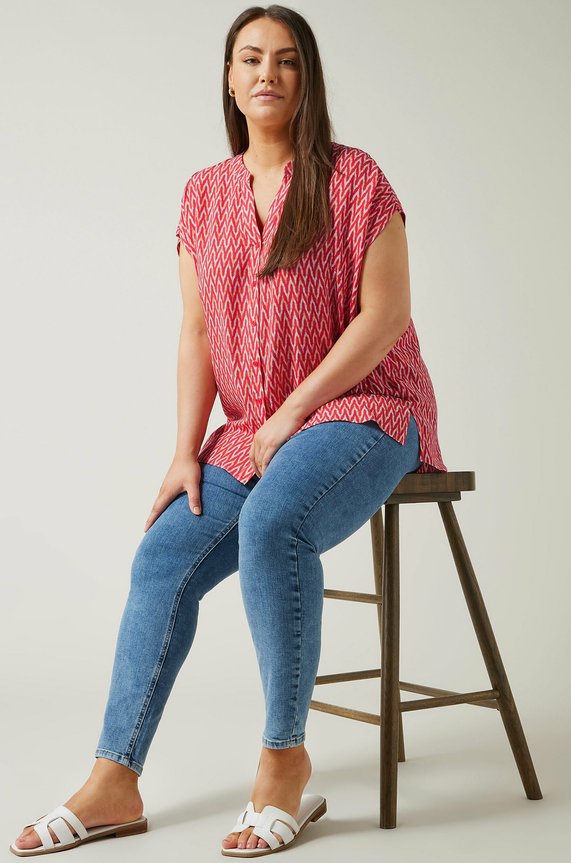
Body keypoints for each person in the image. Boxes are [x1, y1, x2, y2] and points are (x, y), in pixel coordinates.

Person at [11, 4, 447, 859]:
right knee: (161, 556)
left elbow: (386, 314)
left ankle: (284, 759)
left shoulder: (356, 178)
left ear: (307, 78)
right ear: (229, 77)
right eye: (251, 58)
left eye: (286, 60)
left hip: (365, 409)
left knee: (274, 523)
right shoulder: (203, 194)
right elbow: (199, 331)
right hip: (250, 430)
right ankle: (114, 778)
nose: (267, 74)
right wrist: (184, 451)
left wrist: (292, 411)